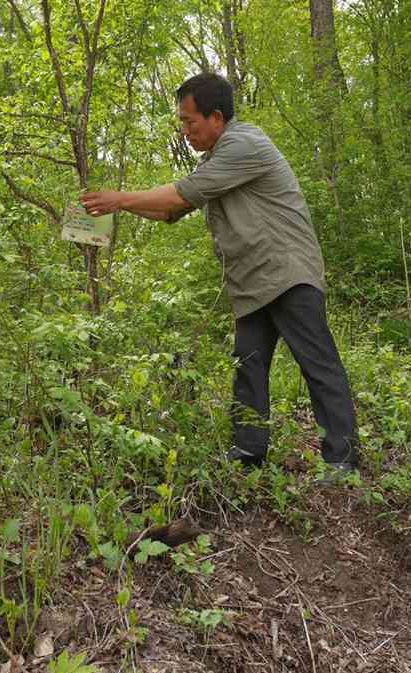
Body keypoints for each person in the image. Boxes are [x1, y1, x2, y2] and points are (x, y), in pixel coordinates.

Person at [81, 72, 358, 478]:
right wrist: (112, 206)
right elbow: (170, 210)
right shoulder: (215, 162)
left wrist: (119, 198)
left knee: (317, 364)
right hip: (252, 283)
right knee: (247, 366)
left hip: (287, 272)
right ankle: (249, 456)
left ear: (216, 117)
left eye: (190, 121)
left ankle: (342, 459)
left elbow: (177, 195)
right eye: (182, 122)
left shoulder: (244, 145)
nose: (185, 130)